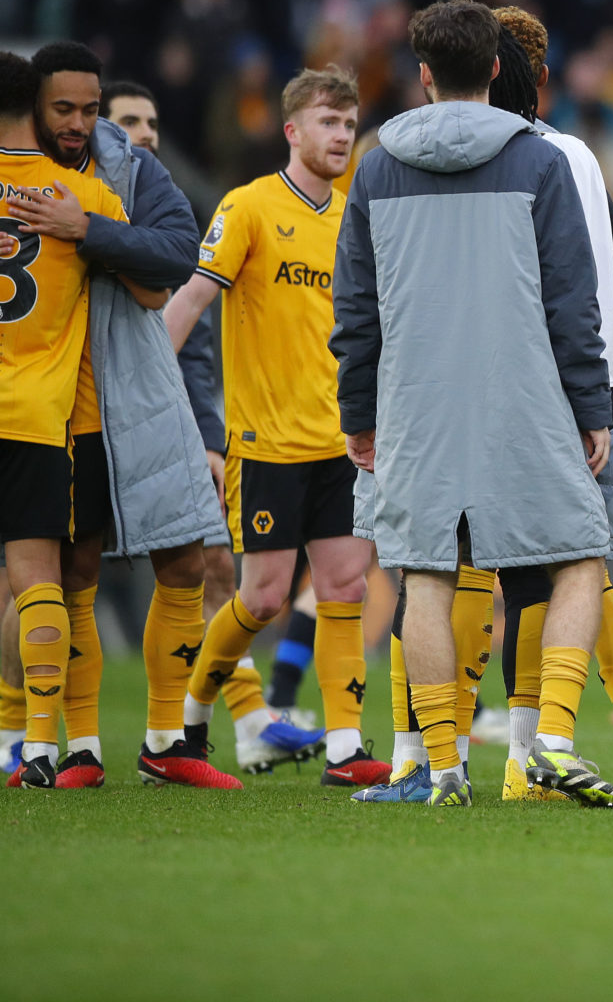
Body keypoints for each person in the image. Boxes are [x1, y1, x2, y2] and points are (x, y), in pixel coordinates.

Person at [366, 16, 613, 806]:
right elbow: (599, 288)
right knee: (571, 566)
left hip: (420, 398)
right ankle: (553, 754)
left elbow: (356, 304)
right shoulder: (557, 156)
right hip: (547, 394)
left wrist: (357, 406)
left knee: (433, 576)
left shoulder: (382, 162)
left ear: (426, 73)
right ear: (532, 78)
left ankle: (429, 766)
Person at [11, 43, 236, 791]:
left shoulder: (128, 170)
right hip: (60, 407)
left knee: (185, 558)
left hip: (137, 393)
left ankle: (167, 741)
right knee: (71, 571)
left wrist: (92, 235)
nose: (79, 124)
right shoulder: (23, 177)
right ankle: (74, 747)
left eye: (90, 109)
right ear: (34, 106)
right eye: (63, 110)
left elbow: (179, 252)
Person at [163, 67, 388, 788]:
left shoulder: (356, 217)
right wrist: (151, 397)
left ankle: (347, 747)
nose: (341, 137)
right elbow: (194, 297)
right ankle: (188, 717)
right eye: (329, 123)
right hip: (265, 442)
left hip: (341, 440)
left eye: (349, 125)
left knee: (344, 588)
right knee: (261, 596)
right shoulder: (249, 206)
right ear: (292, 130)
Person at [103, 78, 312, 759]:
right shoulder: (71, 209)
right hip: (72, 413)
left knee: (209, 563)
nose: (147, 133)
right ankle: (28, 736)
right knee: (43, 576)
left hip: (166, 424)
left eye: (154, 121)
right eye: (129, 120)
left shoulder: (167, 220)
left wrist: (205, 435)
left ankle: (242, 726)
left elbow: (191, 345)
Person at [0, 49, 129, 788]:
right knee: (37, 577)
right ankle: (39, 750)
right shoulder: (81, 196)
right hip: (38, 413)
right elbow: (150, 290)